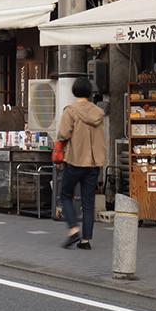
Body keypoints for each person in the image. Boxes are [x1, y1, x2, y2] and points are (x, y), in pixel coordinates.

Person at [56, 76, 107, 250]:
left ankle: (72, 229)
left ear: (75, 91)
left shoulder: (70, 111)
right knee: (88, 202)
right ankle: (85, 240)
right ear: (90, 92)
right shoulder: (98, 113)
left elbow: (63, 134)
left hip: (75, 160)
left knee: (65, 195)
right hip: (93, 163)